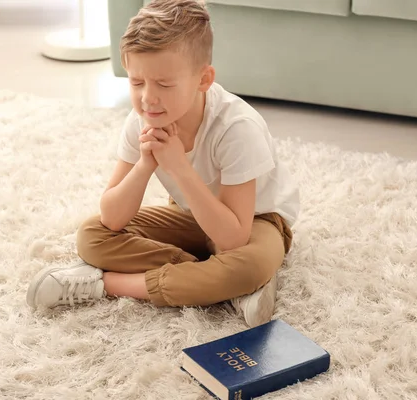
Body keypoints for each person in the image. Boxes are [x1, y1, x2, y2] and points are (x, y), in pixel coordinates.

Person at [26, 0, 299, 327]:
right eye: (137, 82)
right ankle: (218, 283)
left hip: (256, 221)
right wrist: (145, 165)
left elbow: (232, 239)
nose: (147, 98)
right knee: (91, 236)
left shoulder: (237, 128)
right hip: (188, 215)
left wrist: (179, 168)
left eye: (164, 84)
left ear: (204, 79)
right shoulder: (140, 120)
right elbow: (111, 218)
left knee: (247, 266)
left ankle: (105, 285)